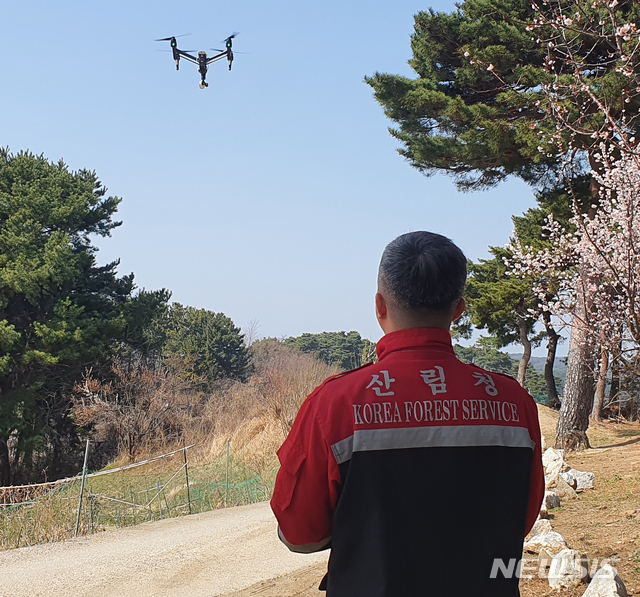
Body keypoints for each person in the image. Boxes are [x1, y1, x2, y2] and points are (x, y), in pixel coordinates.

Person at [270, 231, 545, 597]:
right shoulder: (515, 404)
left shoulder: (334, 404)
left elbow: (299, 534)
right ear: (458, 310)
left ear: (380, 306)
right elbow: (520, 520)